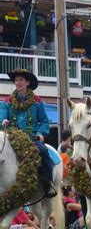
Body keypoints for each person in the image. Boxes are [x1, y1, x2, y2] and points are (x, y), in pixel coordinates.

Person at [0, 69, 56, 198]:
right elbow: (1, 118)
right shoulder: (7, 101)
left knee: (43, 151)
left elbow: (44, 121)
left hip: (31, 137)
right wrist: (4, 121)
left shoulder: (37, 102)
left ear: (27, 83)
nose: (18, 82)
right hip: (11, 137)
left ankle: (49, 184)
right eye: (16, 80)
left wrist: (40, 133)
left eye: (21, 80)